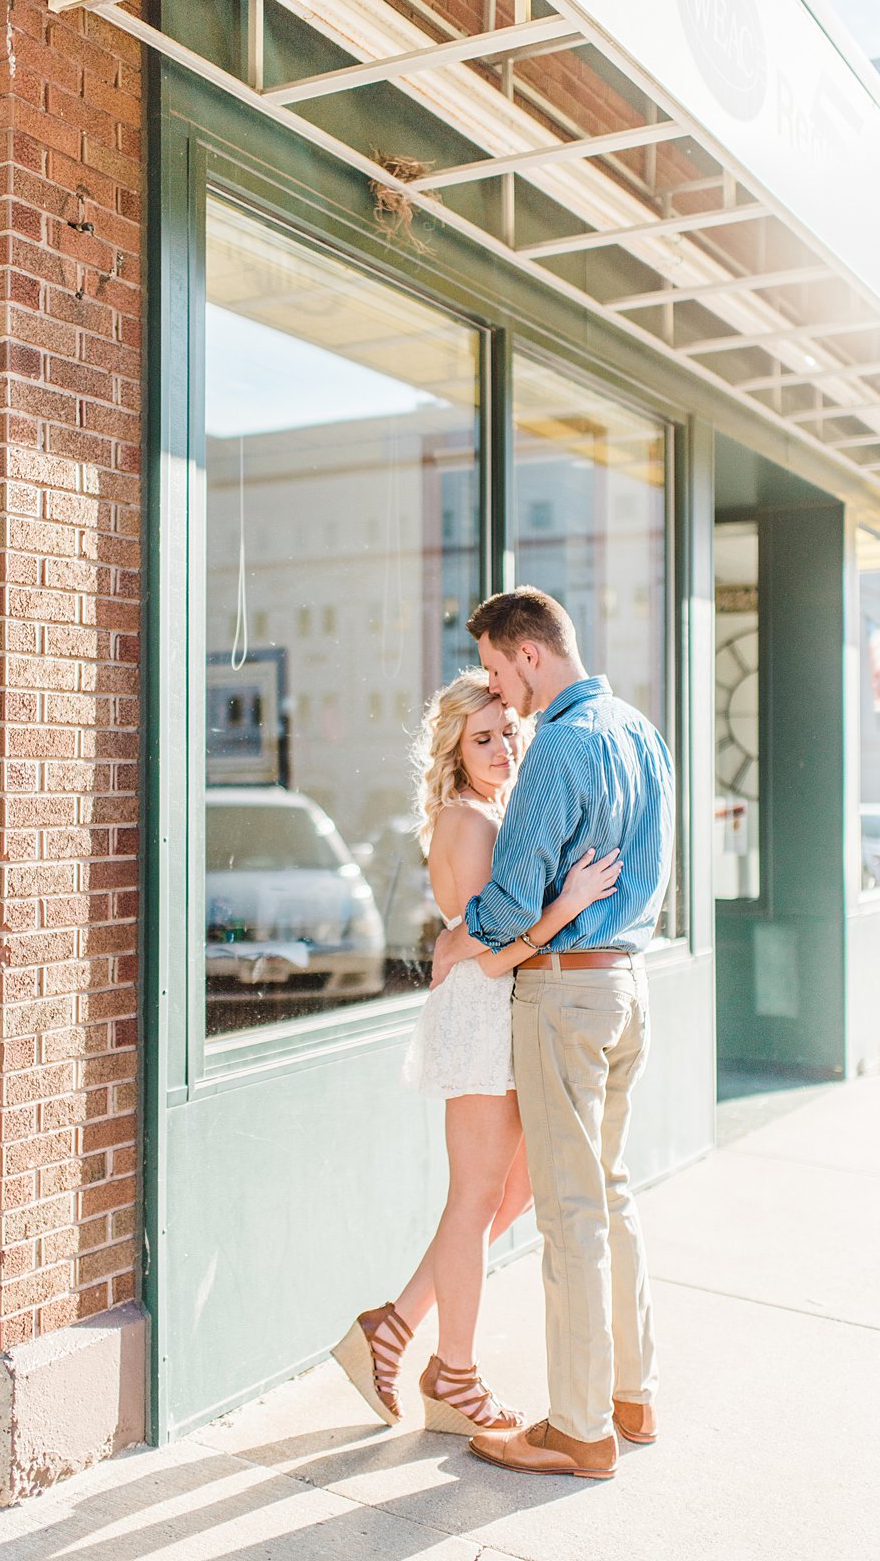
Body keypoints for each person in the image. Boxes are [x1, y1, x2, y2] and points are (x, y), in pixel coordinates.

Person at [332, 668, 622, 1436]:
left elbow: (476, 936)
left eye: (508, 733)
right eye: (483, 738)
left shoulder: (497, 810)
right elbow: (491, 952)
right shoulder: (470, 820)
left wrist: (466, 938)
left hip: (503, 1003)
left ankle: (392, 1326)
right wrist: (568, 902)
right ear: (455, 751)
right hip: (486, 1012)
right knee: (474, 1201)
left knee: (513, 1192)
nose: (502, 748)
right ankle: (453, 1373)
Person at [432, 587, 674, 1480]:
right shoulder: (640, 731)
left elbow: (508, 900)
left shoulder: (561, 747)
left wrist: (462, 935)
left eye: (497, 668)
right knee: (609, 1194)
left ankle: (577, 1430)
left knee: (571, 1210)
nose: (499, 687)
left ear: (528, 655)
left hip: (565, 991)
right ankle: (631, 1396)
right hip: (629, 983)